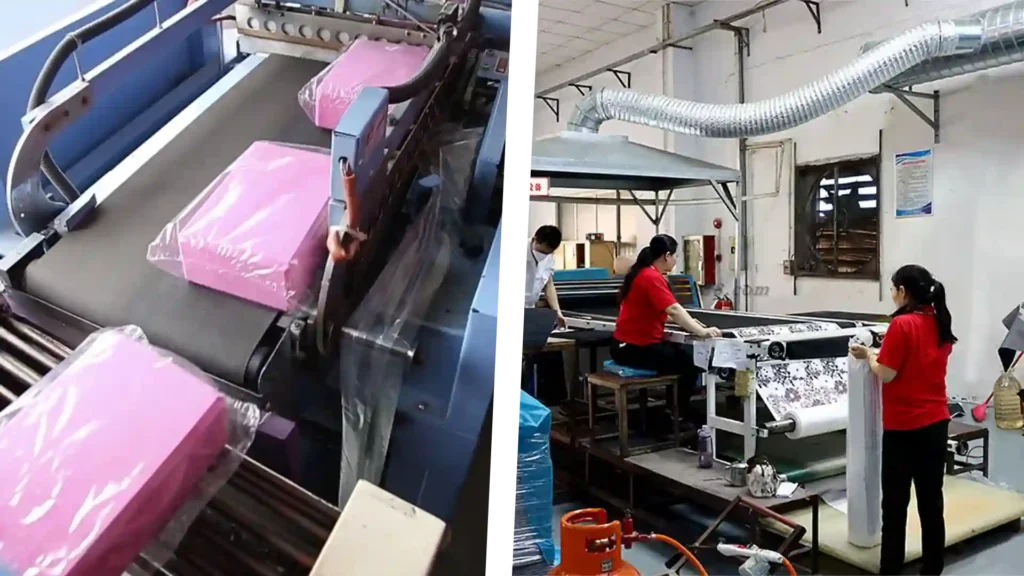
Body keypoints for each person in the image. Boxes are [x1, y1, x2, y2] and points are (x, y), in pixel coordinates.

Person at [849, 264, 955, 576]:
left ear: (903, 292)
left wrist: (869, 356)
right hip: (936, 423)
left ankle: (890, 570)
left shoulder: (902, 325)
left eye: (893, 290)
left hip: (904, 429)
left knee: (894, 507)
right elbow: (916, 358)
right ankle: (932, 568)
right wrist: (881, 353)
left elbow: (888, 373)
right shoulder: (939, 321)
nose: (892, 296)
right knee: (931, 503)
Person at [610, 235, 721, 422]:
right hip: (633, 348)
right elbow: (674, 309)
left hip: (627, 345)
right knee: (690, 364)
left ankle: (673, 407)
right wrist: (700, 331)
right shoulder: (651, 276)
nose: (676, 260)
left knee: (679, 355)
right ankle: (679, 411)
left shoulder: (643, 273)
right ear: (666, 255)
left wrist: (691, 322)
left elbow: (661, 311)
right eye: (675, 255)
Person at [521, 226, 566, 328]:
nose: (544, 256)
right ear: (534, 239)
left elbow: (549, 285)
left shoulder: (549, 257)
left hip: (529, 310)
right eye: (542, 252)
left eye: (548, 253)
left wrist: (557, 313)